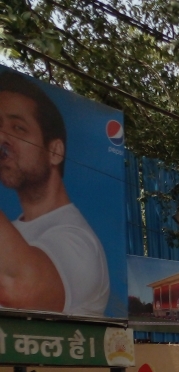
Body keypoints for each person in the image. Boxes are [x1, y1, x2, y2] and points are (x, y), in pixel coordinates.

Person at [0, 71, 108, 316]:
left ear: (55, 151)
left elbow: (16, 287)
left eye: (18, 128)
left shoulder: (78, 241)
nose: (2, 139)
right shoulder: (14, 234)